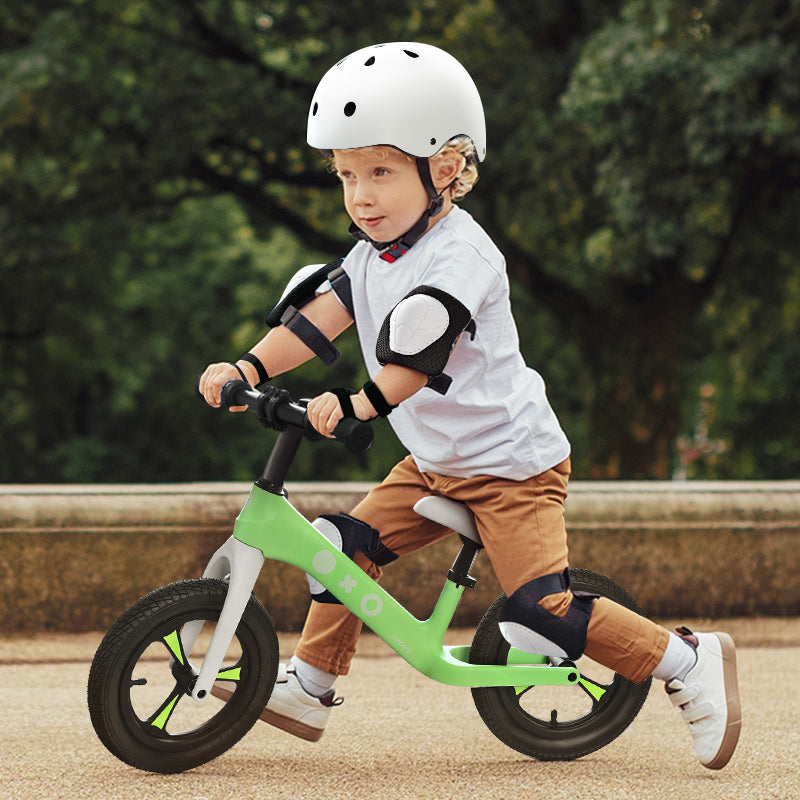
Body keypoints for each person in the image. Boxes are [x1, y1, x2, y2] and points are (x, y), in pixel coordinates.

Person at [199, 42, 741, 770]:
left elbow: (413, 364)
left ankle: (685, 659)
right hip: (432, 464)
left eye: (381, 172)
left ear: (445, 168)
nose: (360, 195)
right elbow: (317, 320)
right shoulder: (370, 253)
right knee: (338, 552)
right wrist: (249, 365)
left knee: (535, 609)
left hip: (512, 465)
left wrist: (355, 404)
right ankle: (312, 686)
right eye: (348, 175)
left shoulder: (463, 258)